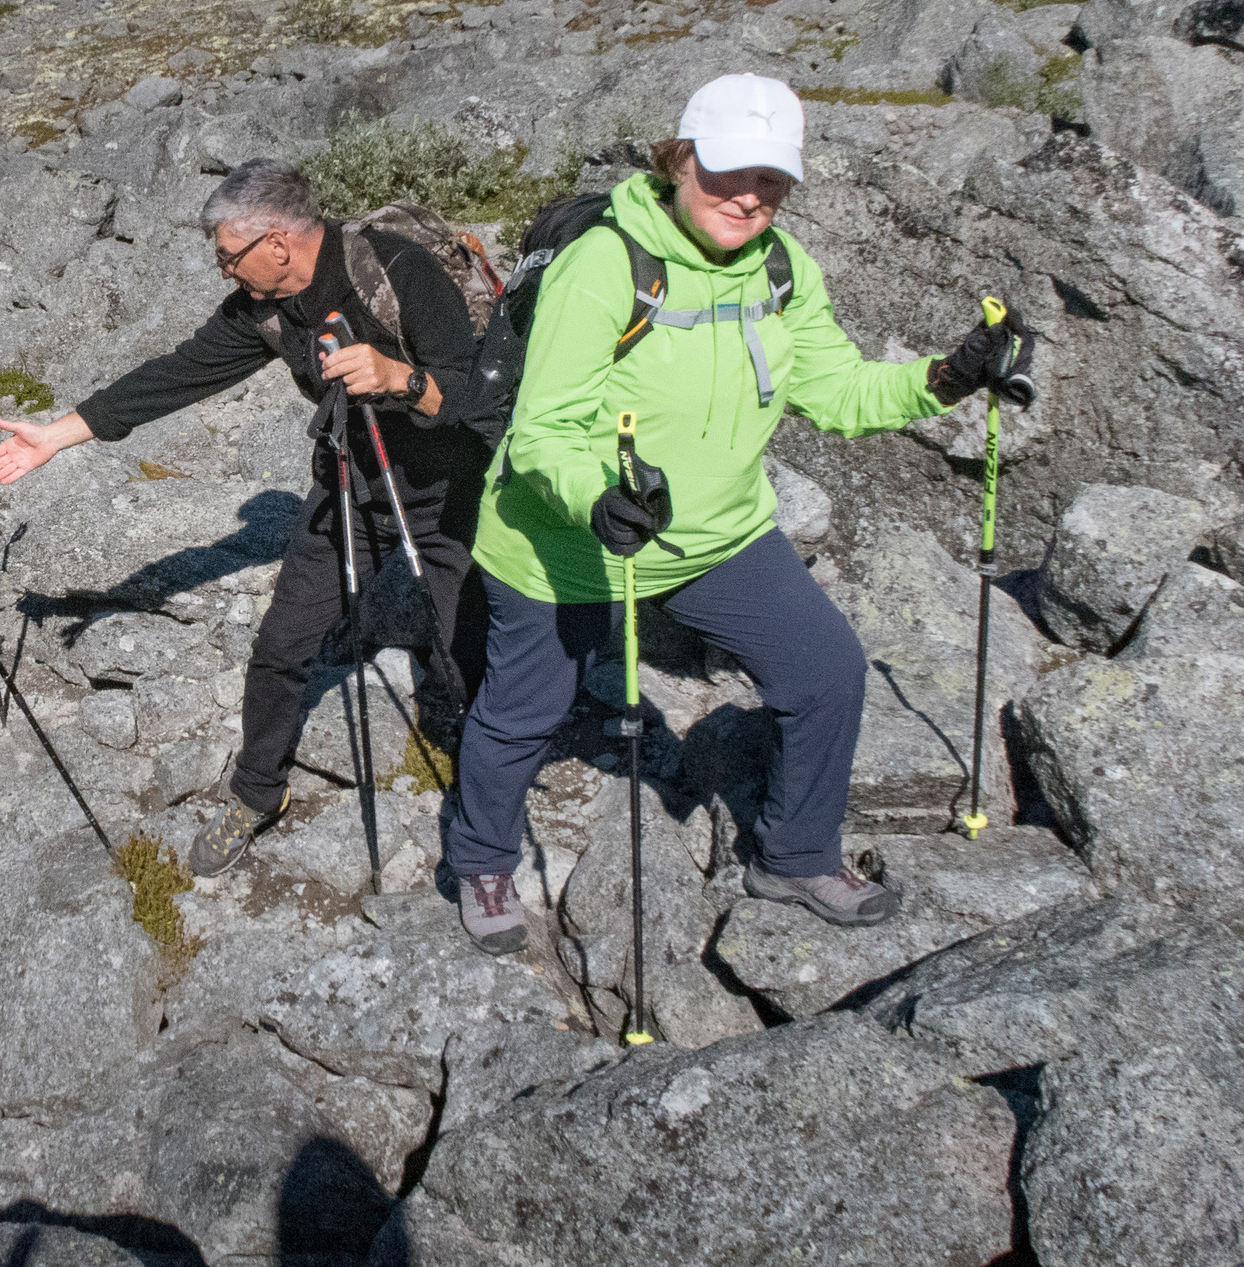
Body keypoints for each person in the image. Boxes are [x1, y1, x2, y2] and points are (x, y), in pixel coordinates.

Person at [445, 73, 1038, 953]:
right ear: (680, 160)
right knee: (525, 710)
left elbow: (835, 390)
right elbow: (542, 433)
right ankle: (482, 857)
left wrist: (945, 378)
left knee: (827, 670)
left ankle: (795, 856)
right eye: (728, 173)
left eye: (772, 179)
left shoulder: (785, 271)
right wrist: (593, 497)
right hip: (564, 545)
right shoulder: (606, 264)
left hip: (721, 535)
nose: (751, 196)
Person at [0, 159, 493, 878]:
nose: (223, 270)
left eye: (228, 254)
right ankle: (258, 793)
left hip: (453, 488)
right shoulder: (266, 309)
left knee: (465, 647)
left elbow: (474, 394)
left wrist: (398, 378)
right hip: (350, 484)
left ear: (278, 243)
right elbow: (178, 373)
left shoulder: (398, 269)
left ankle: (491, 793)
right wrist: (60, 434)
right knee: (282, 644)